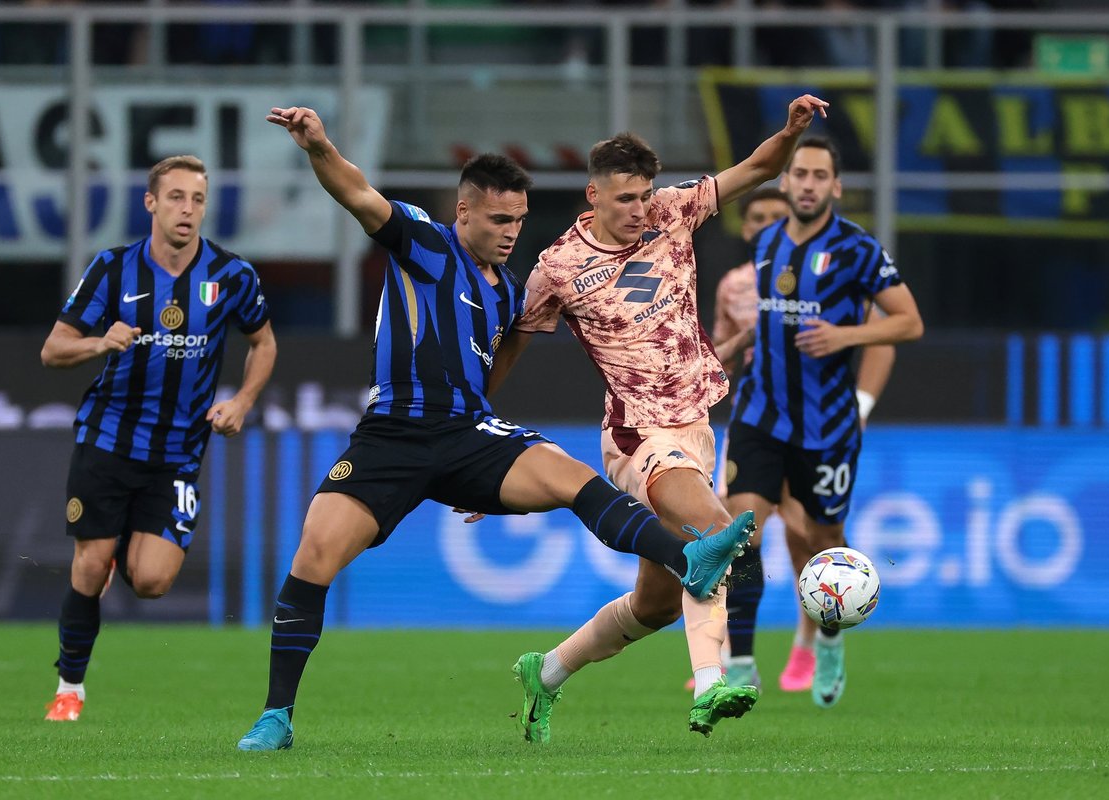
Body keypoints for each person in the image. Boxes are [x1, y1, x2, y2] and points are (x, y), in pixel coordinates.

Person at [234, 105, 757, 752]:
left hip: (467, 433)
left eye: (518, 219)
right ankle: (276, 716)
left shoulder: (508, 291)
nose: (512, 232)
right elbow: (357, 192)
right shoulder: (424, 245)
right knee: (314, 556)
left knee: (574, 478)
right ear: (465, 214)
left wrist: (477, 474)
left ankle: (690, 559)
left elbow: (491, 372)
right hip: (392, 436)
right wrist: (318, 147)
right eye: (499, 219)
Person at [488, 94, 830, 742]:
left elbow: (757, 168)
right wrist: (473, 431)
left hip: (695, 428)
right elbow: (513, 345)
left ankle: (548, 672)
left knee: (654, 605)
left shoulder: (674, 212)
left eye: (644, 195)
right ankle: (711, 686)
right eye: (624, 199)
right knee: (718, 534)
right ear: (593, 194)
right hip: (636, 434)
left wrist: (789, 132)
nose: (639, 209)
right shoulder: (559, 266)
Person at [41, 155, 278, 722]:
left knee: (150, 581)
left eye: (197, 199)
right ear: (150, 203)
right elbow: (53, 350)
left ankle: (120, 548)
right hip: (107, 441)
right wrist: (100, 342)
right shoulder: (112, 269)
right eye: (175, 197)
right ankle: (70, 688)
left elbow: (263, 343)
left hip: (177, 453)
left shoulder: (231, 276)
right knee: (91, 565)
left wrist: (242, 402)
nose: (187, 210)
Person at [723, 135, 923, 709]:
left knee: (823, 541)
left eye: (819, 176)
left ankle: (829, 639)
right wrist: (734, 345)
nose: (807, 184)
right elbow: (769, 323)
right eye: (799, 174)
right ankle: (740, 665)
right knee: (743, 531)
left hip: (827, 426)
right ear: (785, 183)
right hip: (760, 413)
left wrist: (847, 336)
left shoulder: (858, 250)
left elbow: (908, 323)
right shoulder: (766, 243)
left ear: (835, 187)